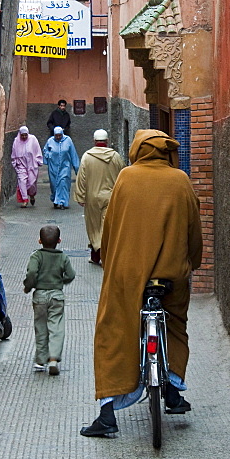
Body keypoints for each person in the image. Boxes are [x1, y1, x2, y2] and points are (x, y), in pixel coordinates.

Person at [80, 129, 202, 438]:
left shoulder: (126, 178)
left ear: (138, 150)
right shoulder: (181, 180)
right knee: (174, 323)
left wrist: (109, 261)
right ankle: (172, 388)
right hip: (171, 275)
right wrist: (192, 265)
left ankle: (107, 412)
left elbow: (110, 227)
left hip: (128, 274)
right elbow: (194, 231)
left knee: (113, 330)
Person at [23, 225, 76, 375]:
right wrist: (60, 281)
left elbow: (32, 272)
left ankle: (40, 361)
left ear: (39, 241)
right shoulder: (63, 257)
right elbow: (71, 275)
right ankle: (53, 358)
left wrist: (28, 287)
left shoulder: (36, 256)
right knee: (56, 327)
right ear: (59, 240)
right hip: (57, 296)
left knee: (40, 327)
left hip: (39, 296)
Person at [74, 129, 126, 265]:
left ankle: (96, 255)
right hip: (111, 197)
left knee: (94, 227)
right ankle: (104, 254)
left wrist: (80, 196)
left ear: (94, 141)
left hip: (92, 198)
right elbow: (123, 176)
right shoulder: (115, 156)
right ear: (107, 141)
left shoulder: (87, 156)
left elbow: (81, 178)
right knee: (107, 226)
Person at [43, 127, 79, 210]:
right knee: (54, 185)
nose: (58, 137)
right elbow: (45, 150)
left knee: (63, 183)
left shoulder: (68, 140)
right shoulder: (50, 141)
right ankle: (55, 200)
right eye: (56, 135)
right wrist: (48, 156)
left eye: (60, 135)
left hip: (65, 166)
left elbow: (73, 153)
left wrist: (76, 167)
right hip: (53, 167)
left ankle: (63, 202)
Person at [10, 126, 43, 208]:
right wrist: (14, 162)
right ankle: (25, 200)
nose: (24, 137)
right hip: (21, 164)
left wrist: (39, 160)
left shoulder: (33, 139)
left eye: (25, 135)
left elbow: (37, 150)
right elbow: (14, 153)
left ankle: (31, 195)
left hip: (32, 164)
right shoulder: (16, 141)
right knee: (22, 181)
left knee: (31, 183)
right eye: (22, 135)